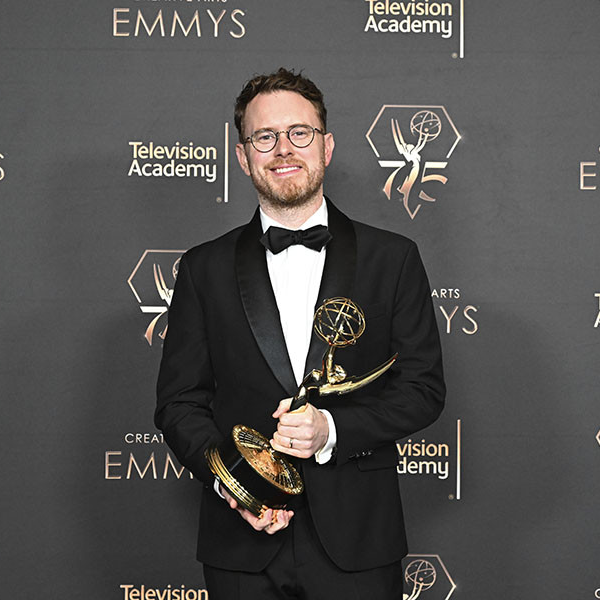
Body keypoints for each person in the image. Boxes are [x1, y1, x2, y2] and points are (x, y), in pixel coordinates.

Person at [155, 68, 445, 599]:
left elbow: (422, 390)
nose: (283, 149)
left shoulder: (393, 258)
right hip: (241, 543)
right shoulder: (203, 268)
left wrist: (331, 430)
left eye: (300, 133)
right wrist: (235, 484)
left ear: (327, 146)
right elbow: (179, 403)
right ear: (242, 156)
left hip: (359, 541)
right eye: (264, 137)